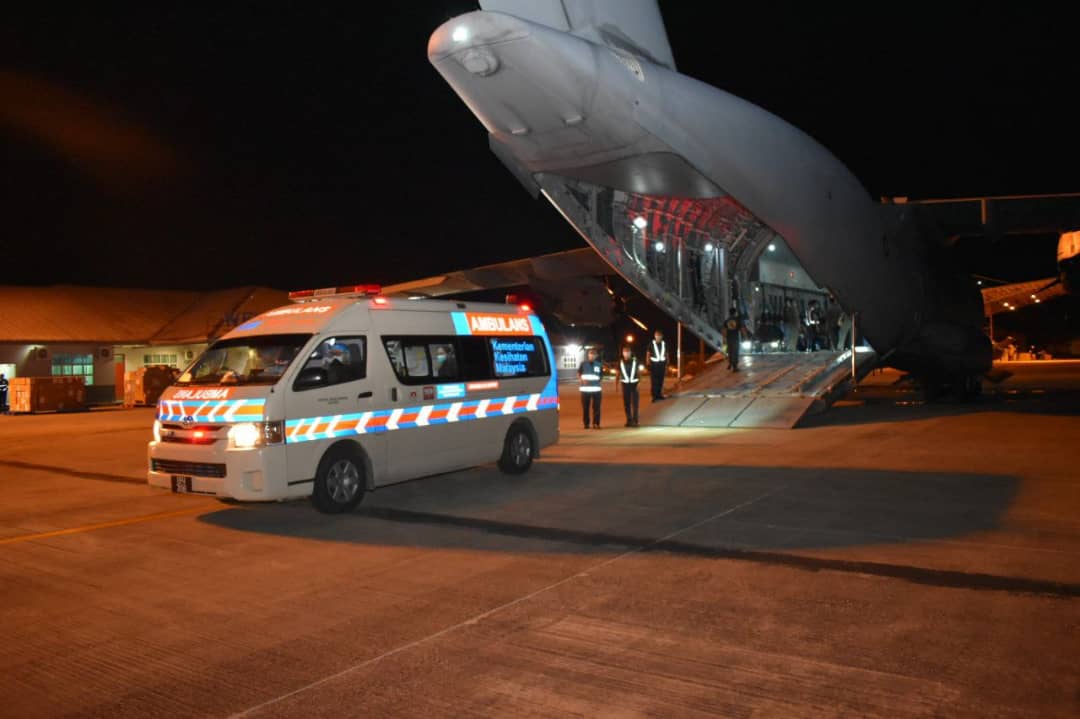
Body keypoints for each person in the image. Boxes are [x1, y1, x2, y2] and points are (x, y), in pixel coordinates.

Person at [578, 347, 603, 429]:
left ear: (596, 356)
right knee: (586, 408)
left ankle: (596, 423)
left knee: (596, 408)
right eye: (590, 354)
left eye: (593, 354)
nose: (592, 356)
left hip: (596, 390)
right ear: (588, 355)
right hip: (585, 390)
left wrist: (597, 381)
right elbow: (579, 373)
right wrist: (582, 380)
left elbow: (601, 376)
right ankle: (586, 424)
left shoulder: (599, 364)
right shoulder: (583, 364)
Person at [617, 345, 640, 427]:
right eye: (624, 352)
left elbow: (638, 372)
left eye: (627, 352)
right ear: (623, 353)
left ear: (630, 353)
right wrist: (616, 385)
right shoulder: (620, 362)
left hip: (634, 384)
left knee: (635, 404)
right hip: (625, 385)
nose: (626, 354)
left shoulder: (635, 361)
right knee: (626, 404)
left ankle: (635, 420)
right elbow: (618, 373)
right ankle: (629, 420)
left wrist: (639, 383)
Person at [647, 329, 667, 401]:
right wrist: (648, 363)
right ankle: (654, 396)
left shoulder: (664, 344)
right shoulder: (651, 344)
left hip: (662, 364)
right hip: (654, 365)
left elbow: (666, 353)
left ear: (662, 336)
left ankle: (659, 395)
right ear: (655, 336)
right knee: (654, 381)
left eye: (659, 336)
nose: (658, 337)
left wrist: (667, 362)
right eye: (657, 336)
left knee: (660, 380)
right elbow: (648, 353)